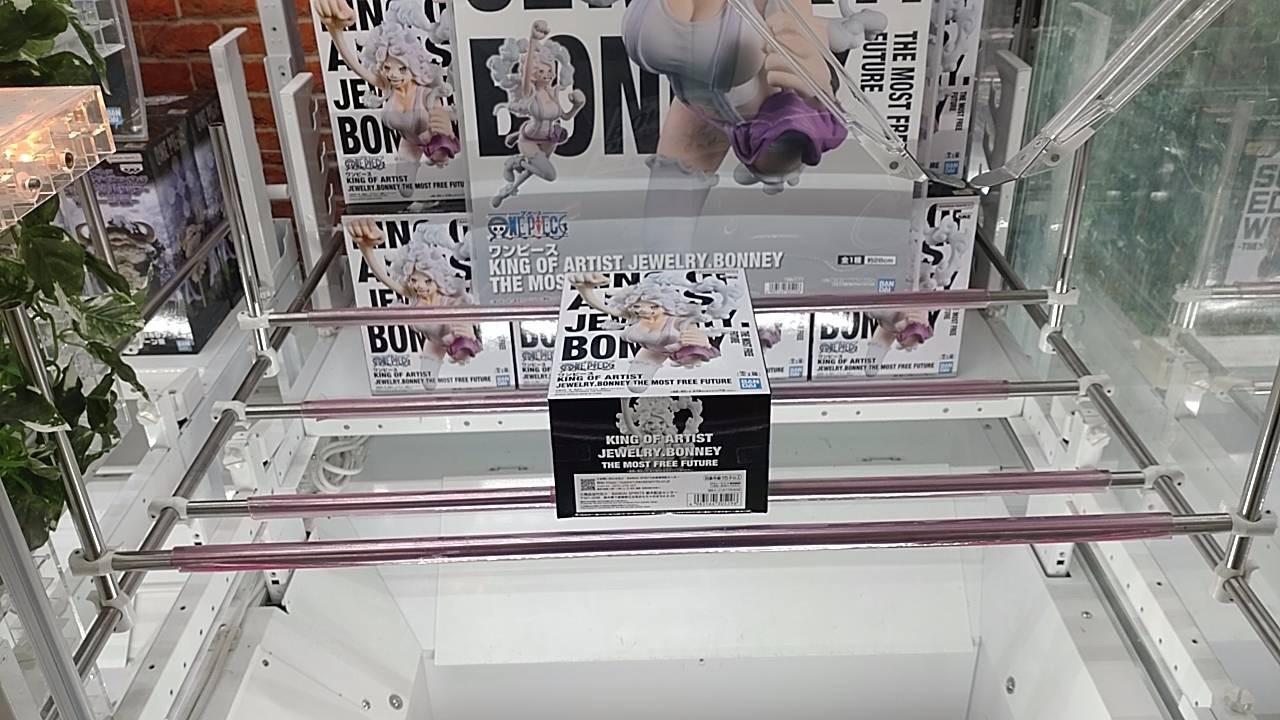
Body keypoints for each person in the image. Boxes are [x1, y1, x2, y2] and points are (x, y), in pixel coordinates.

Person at [315, 0, 459, 200]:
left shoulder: (426, 94)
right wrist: (335, 33)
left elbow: (443, 121)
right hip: (408, 144)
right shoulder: (388, 87)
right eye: (387, 67)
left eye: (402, 69)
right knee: (404, 191)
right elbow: (356, 67)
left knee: (446, 185)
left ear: (414, 67)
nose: (393, 74)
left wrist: (446, 133)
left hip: (434, 146)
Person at [348, 218, 481, 390]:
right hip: (432, 343)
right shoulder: (414, 297)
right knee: (428, 384)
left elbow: (470, 315)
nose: (420, 286)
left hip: (455, 343)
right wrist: (366, 251)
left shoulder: (449, 301)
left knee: (469, 368)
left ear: (438, 279)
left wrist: (468, 332)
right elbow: (384, 278)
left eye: (427, 281)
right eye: (413, 280)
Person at [569, 271, 741, 392]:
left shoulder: (677, 320)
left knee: (699, 378)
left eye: (653, 307)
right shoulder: (635, 317)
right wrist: (584, 289)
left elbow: (698, 334)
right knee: (635, 386)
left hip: (681, 353)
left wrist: (703, 341)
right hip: (651, 352)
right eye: (637, 306)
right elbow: (603, 307)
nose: (644, 311)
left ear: (665, 305)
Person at [487, 21, 588, 207]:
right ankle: (517, 163)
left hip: (550, 138)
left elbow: (565, 117)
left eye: (550, 70)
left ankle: (508, 186)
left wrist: (577, 106)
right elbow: (526, 73)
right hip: (530, 138)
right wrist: (533, 40)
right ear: (533, 74)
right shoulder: (530, 93)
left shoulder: (553, 92)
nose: (548, 74)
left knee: (536, 169)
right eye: (542, 71)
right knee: (549, 174)